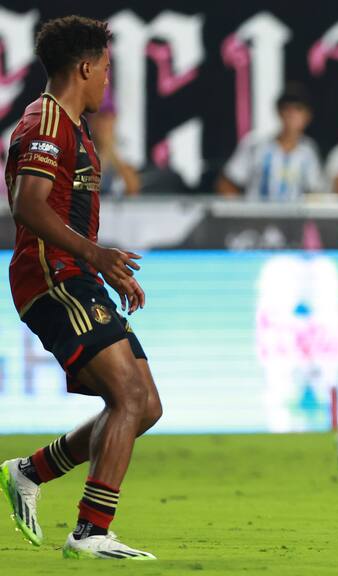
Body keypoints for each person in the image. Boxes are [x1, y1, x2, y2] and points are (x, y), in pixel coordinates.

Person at [0, 16, 161, 560]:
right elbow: (26, 205)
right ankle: (91, 533)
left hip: (76, 273)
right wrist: (95, 256)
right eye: (107, 70)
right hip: (50, 275)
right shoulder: (46, 121)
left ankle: (30, 471)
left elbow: (63, 211)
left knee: (146, 405)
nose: (108, 81)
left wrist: (104, 268)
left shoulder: (73, 125)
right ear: (85, 67)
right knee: (129, 396)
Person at [216, 86, 323, 201]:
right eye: (286, 108)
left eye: (298, 109)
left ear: (308, 116)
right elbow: (226, 183)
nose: (291, 114)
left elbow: (316, 191)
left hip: (295, 218)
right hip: (258, 217)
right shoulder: (256, 144)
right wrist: (240, 211)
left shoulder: (309, 151)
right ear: (279, 112)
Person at [88, 87, 141, 197]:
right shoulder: (81, 147)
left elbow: (133, 189)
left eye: (110, 118)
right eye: (102, 117)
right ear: (92, 121)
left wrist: (110, 150)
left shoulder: (123, 147)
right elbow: (84, 188)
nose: (106, 124)